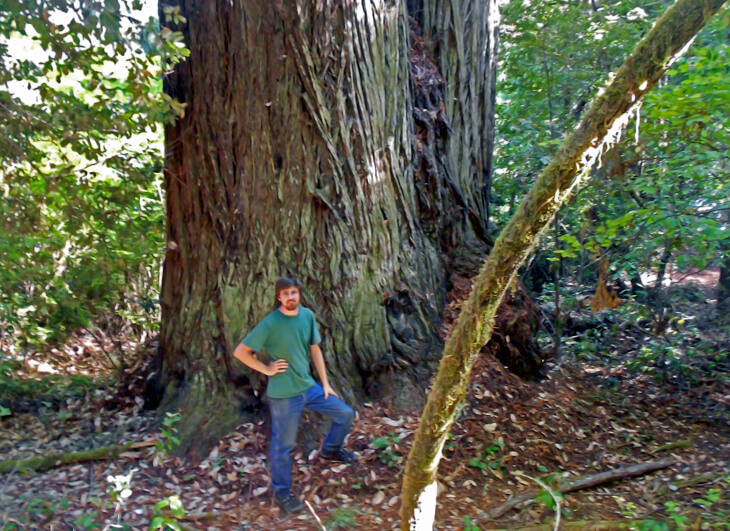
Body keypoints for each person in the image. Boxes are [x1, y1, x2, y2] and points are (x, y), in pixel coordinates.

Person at [233, 276, 356, 514]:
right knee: (284, 445)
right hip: (284, 395)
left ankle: (331, 450)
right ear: (279, 297)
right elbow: (241, 352)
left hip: (309, 387)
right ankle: (282, 494)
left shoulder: (307, 316)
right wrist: (266, 369)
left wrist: (326, 383)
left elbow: (314, 348)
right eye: (286, 294)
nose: (291, 297)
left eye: (294, 293)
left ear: (299, 294)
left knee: (345, 414)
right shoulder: (270, 323)